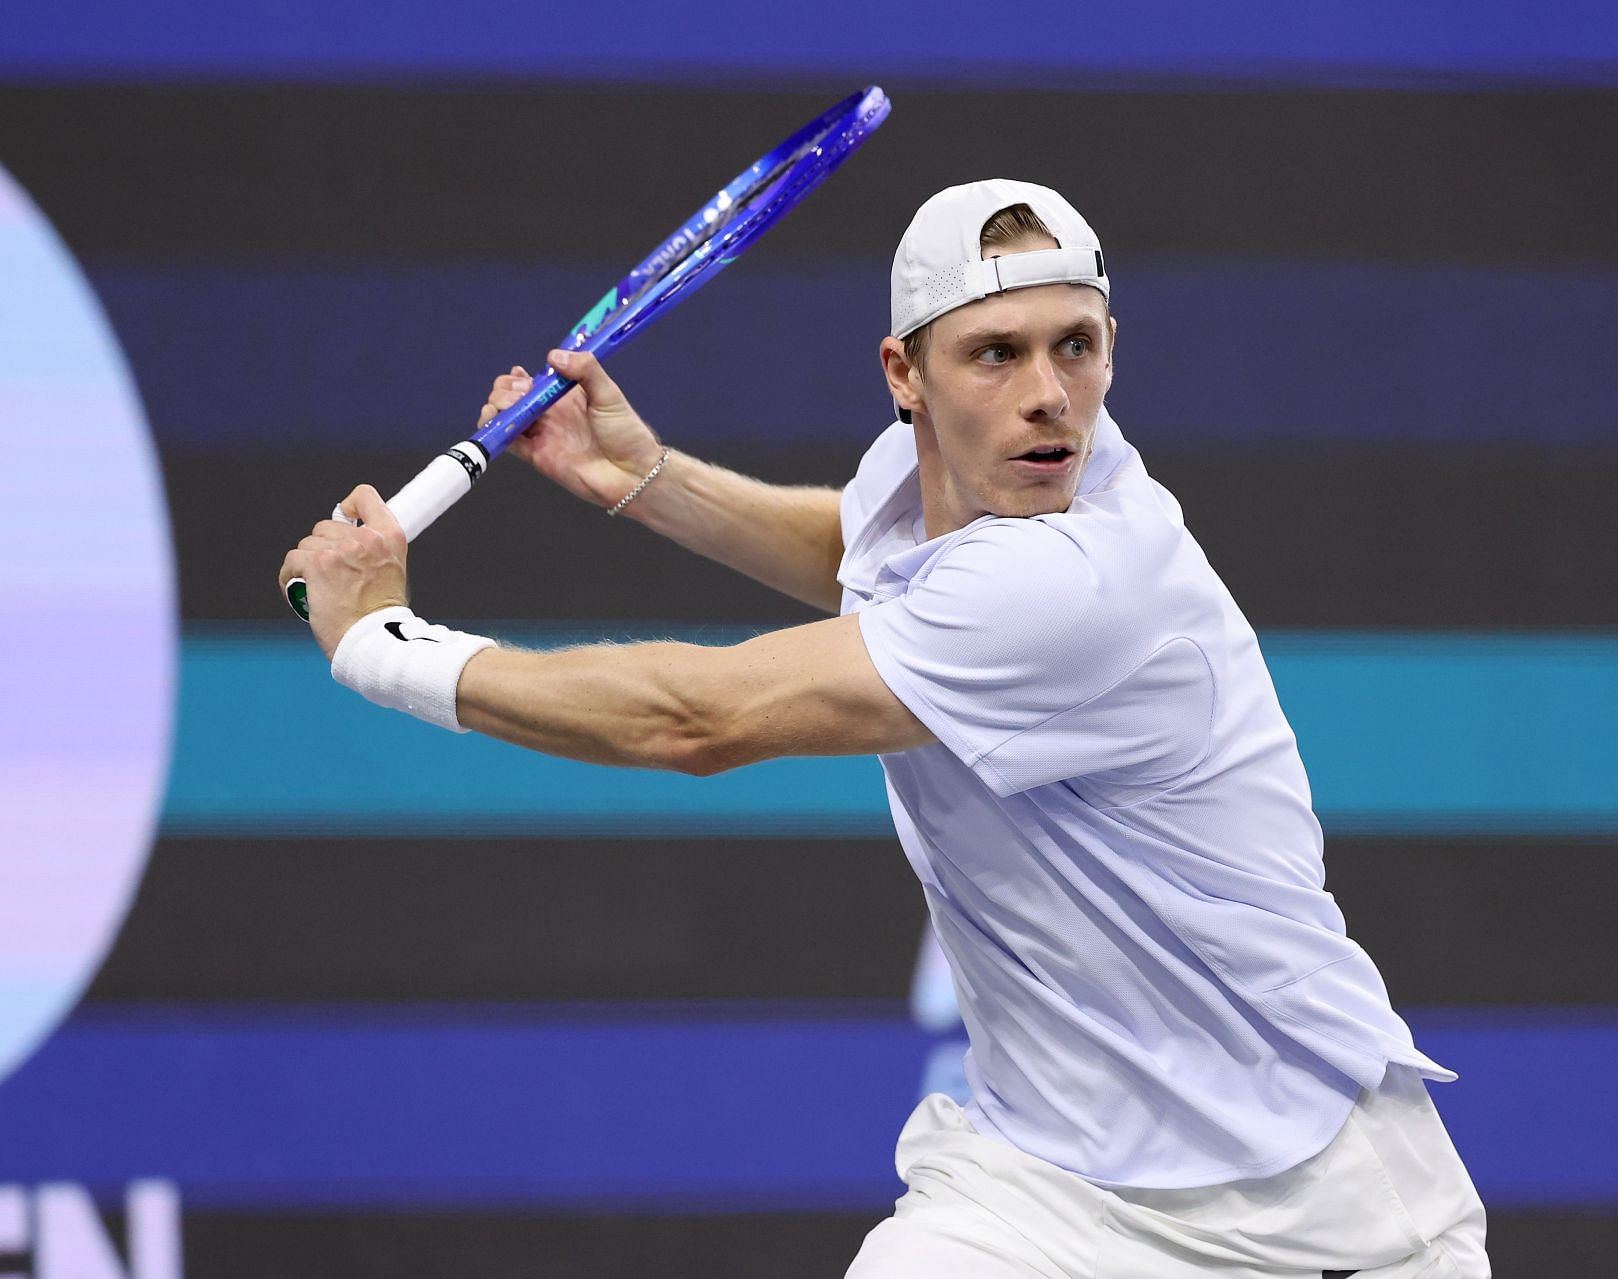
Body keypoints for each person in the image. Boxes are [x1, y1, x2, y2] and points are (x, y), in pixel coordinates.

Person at [279, 178, 1489, 1278]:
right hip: (1047, 1187)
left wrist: (383, 645)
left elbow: (695, 720)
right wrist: (648, 478)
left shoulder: (1084, 573)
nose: (1047, 394)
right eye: (995, 354)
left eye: (1078, 346)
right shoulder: (929, 493)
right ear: (904, 378)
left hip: (1312, 1218)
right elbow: (858, 552)